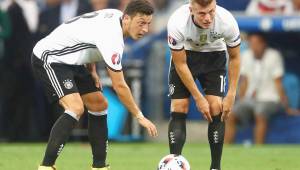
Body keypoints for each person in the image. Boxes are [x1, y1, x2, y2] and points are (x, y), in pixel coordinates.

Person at [31, 1, 158, 170]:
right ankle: (46, 167)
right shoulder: (113, 39)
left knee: (99, 104)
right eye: (141, 23)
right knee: (75, 108)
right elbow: (119, 85)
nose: (145, 30)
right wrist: (139, 116)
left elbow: (86, 33)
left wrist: (91, 69)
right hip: (50, 57)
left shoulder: (114, 15)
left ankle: (99, 166)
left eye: (148, 24)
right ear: (126, 18)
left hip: (75, 60)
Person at [166, 0, 241, 170]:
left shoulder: (227, 21)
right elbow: (180, 64)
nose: (208, 18)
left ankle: (215, 167)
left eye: (211, 12)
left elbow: (235, 57)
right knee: (179, 105)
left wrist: (232, 93)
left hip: (215, 56)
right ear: (191, 9)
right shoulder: (177, 22)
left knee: (216, 107)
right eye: (202, 13)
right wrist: (198, 97)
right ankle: (174, 165)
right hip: (186, 57)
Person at [225, 33, 300, 144]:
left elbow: (278, 83)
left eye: (256, 43)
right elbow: (244, 81)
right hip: (250, 99)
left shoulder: (274, 56)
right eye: (251, 43)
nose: (254, 46)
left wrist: (287, 107)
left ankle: (258, 148)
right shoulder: (246, 55)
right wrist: (241, 100)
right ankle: (226, 149)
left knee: (260, 112)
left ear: (263, 44)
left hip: (270, 99)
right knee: (230, 114)